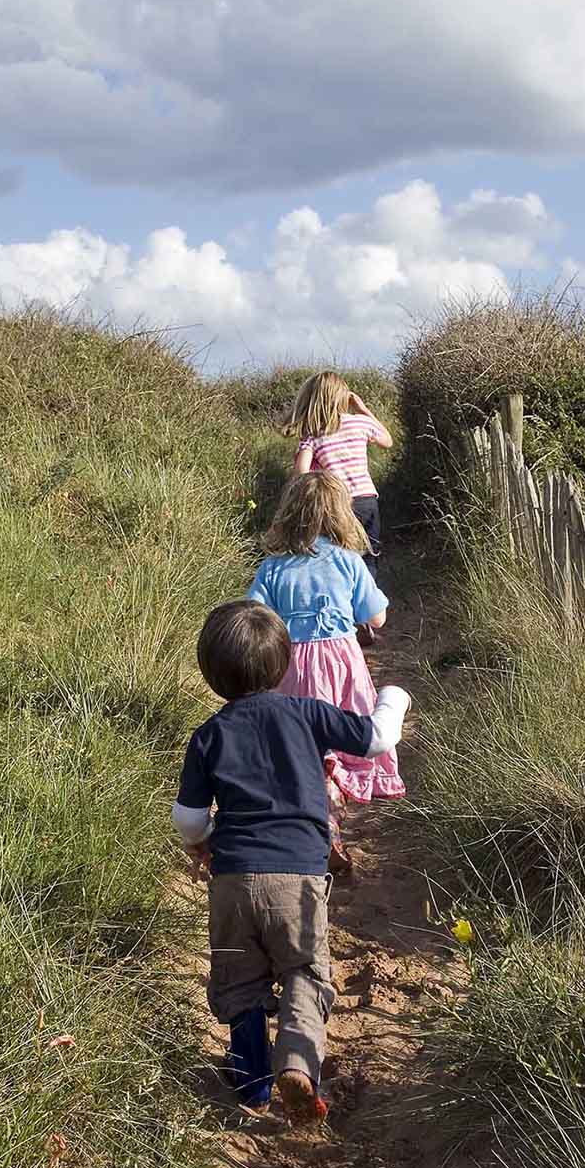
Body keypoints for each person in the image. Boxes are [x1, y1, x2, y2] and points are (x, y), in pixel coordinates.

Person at [173, 599, 410, 1126]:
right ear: (283, 664)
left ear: (211, 674)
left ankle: (253, 1082)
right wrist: (392, 696)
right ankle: (299, 1064)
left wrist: (208, 837)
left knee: (240, 981)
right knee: (304, 971)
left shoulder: (209, 735)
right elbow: (376, 739)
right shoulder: (306, 713)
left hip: (231, 880)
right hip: (298, 880)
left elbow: (188, 821)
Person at [246, 471, 405, 873]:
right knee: (341, 746)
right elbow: (378, 617)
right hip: (340, 666)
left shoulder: (273, 567)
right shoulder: (349, 562)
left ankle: (309, 824)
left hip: (288, 666)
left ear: (289, 515)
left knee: (301, 749)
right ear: (341, 516)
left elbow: (256, 618)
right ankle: (331, 821)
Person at [287, 373, 393, 641]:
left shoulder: (313, 435)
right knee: (368, 557)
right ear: (343, 399)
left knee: (338, 558)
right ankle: (366, 614)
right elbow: (387, 440)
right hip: (367, 501)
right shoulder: (359, 424)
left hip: (335, 505)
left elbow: (301, 474)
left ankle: (344, 613)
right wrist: (364, 410)